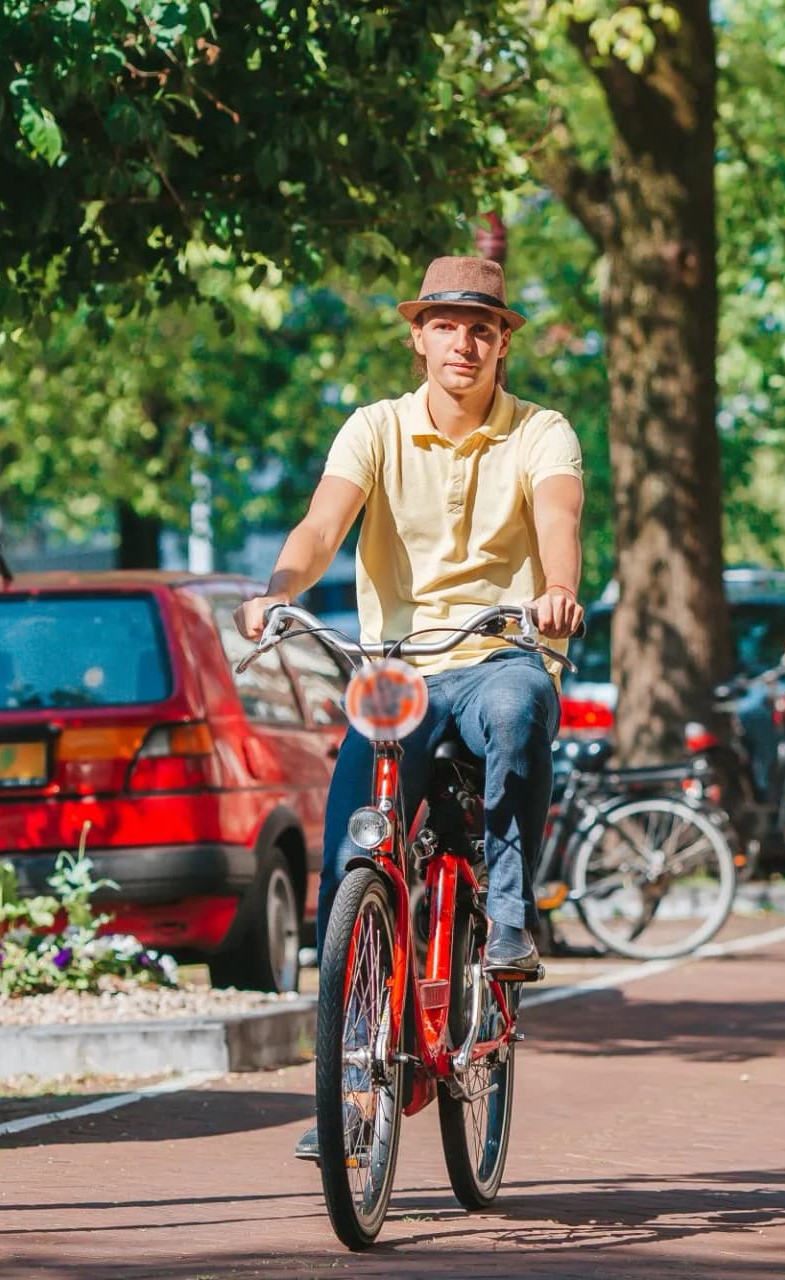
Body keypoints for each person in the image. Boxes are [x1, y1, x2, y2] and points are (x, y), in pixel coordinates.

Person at [236, 257, 584, 1156]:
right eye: (444, 325)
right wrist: (278, 589)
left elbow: (559, 518)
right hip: (396, 669)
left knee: (518, 709)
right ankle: (352, 1096)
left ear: (502, 341)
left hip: (499, 650)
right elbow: (322, 527)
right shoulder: (375, 428)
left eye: (480, 328)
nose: (461, 343)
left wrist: (556, 588)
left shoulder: (542, 431)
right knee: (353, 850)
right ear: (418, 337)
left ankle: (505, 914)